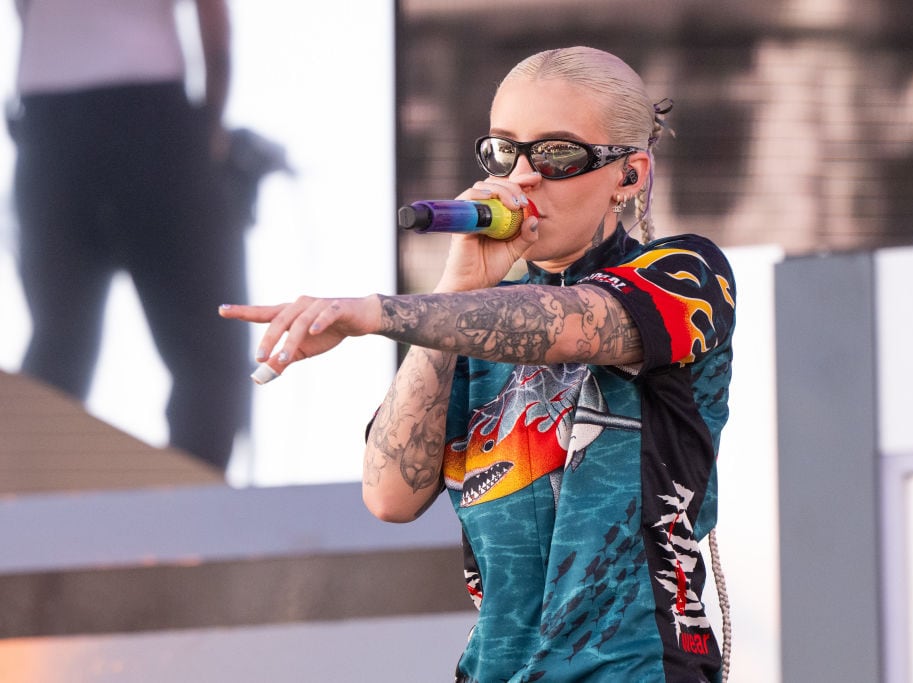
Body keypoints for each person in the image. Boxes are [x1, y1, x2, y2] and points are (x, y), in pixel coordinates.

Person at [222, 46, 736, 682]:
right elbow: (390, 495)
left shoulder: (685, 272)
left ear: (628, 175)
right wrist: (454, 287)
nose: (523, 177)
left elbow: (565, 327)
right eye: (503, 151)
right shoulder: (470, 321)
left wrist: (380, 313)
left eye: (556, 154)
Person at [11, 0, 250, 471]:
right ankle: (190, 508)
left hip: (47, 122)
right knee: (209, 348)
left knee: (58, 348)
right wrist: (209, 126)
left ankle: (34, 516)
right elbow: (214, 23)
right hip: (150, 113)